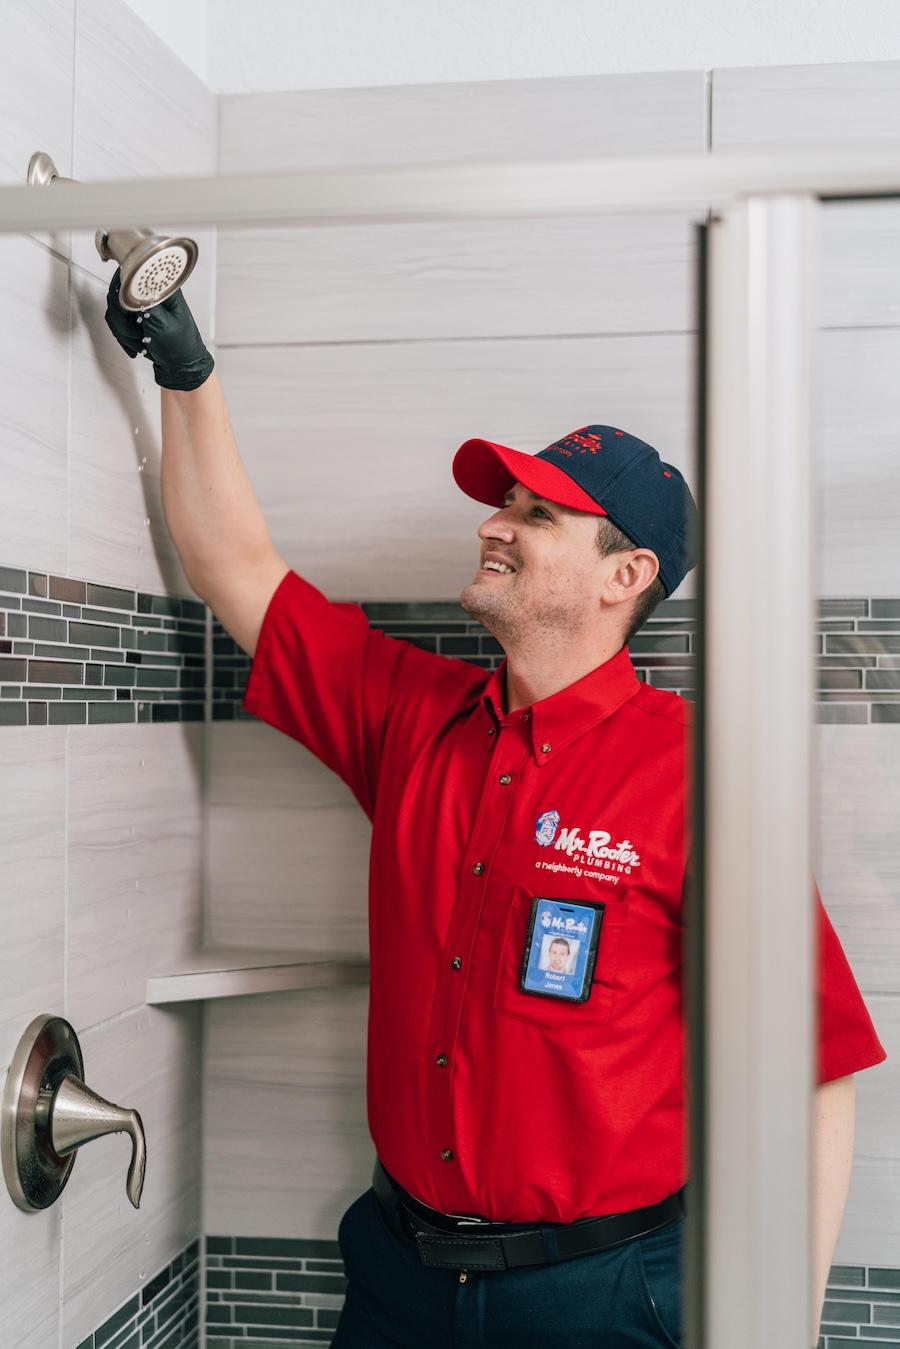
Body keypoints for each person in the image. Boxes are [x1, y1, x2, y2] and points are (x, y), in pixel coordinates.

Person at [105, 278, 888, 1349]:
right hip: (398, 1273)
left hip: (606, 1290)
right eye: (503, 503)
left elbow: (816, 1063)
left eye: (535, 513)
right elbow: (232, 565)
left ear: (628, 572)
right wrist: (185, 370)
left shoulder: (699, 775)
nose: (494, 524)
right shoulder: (407, 712)